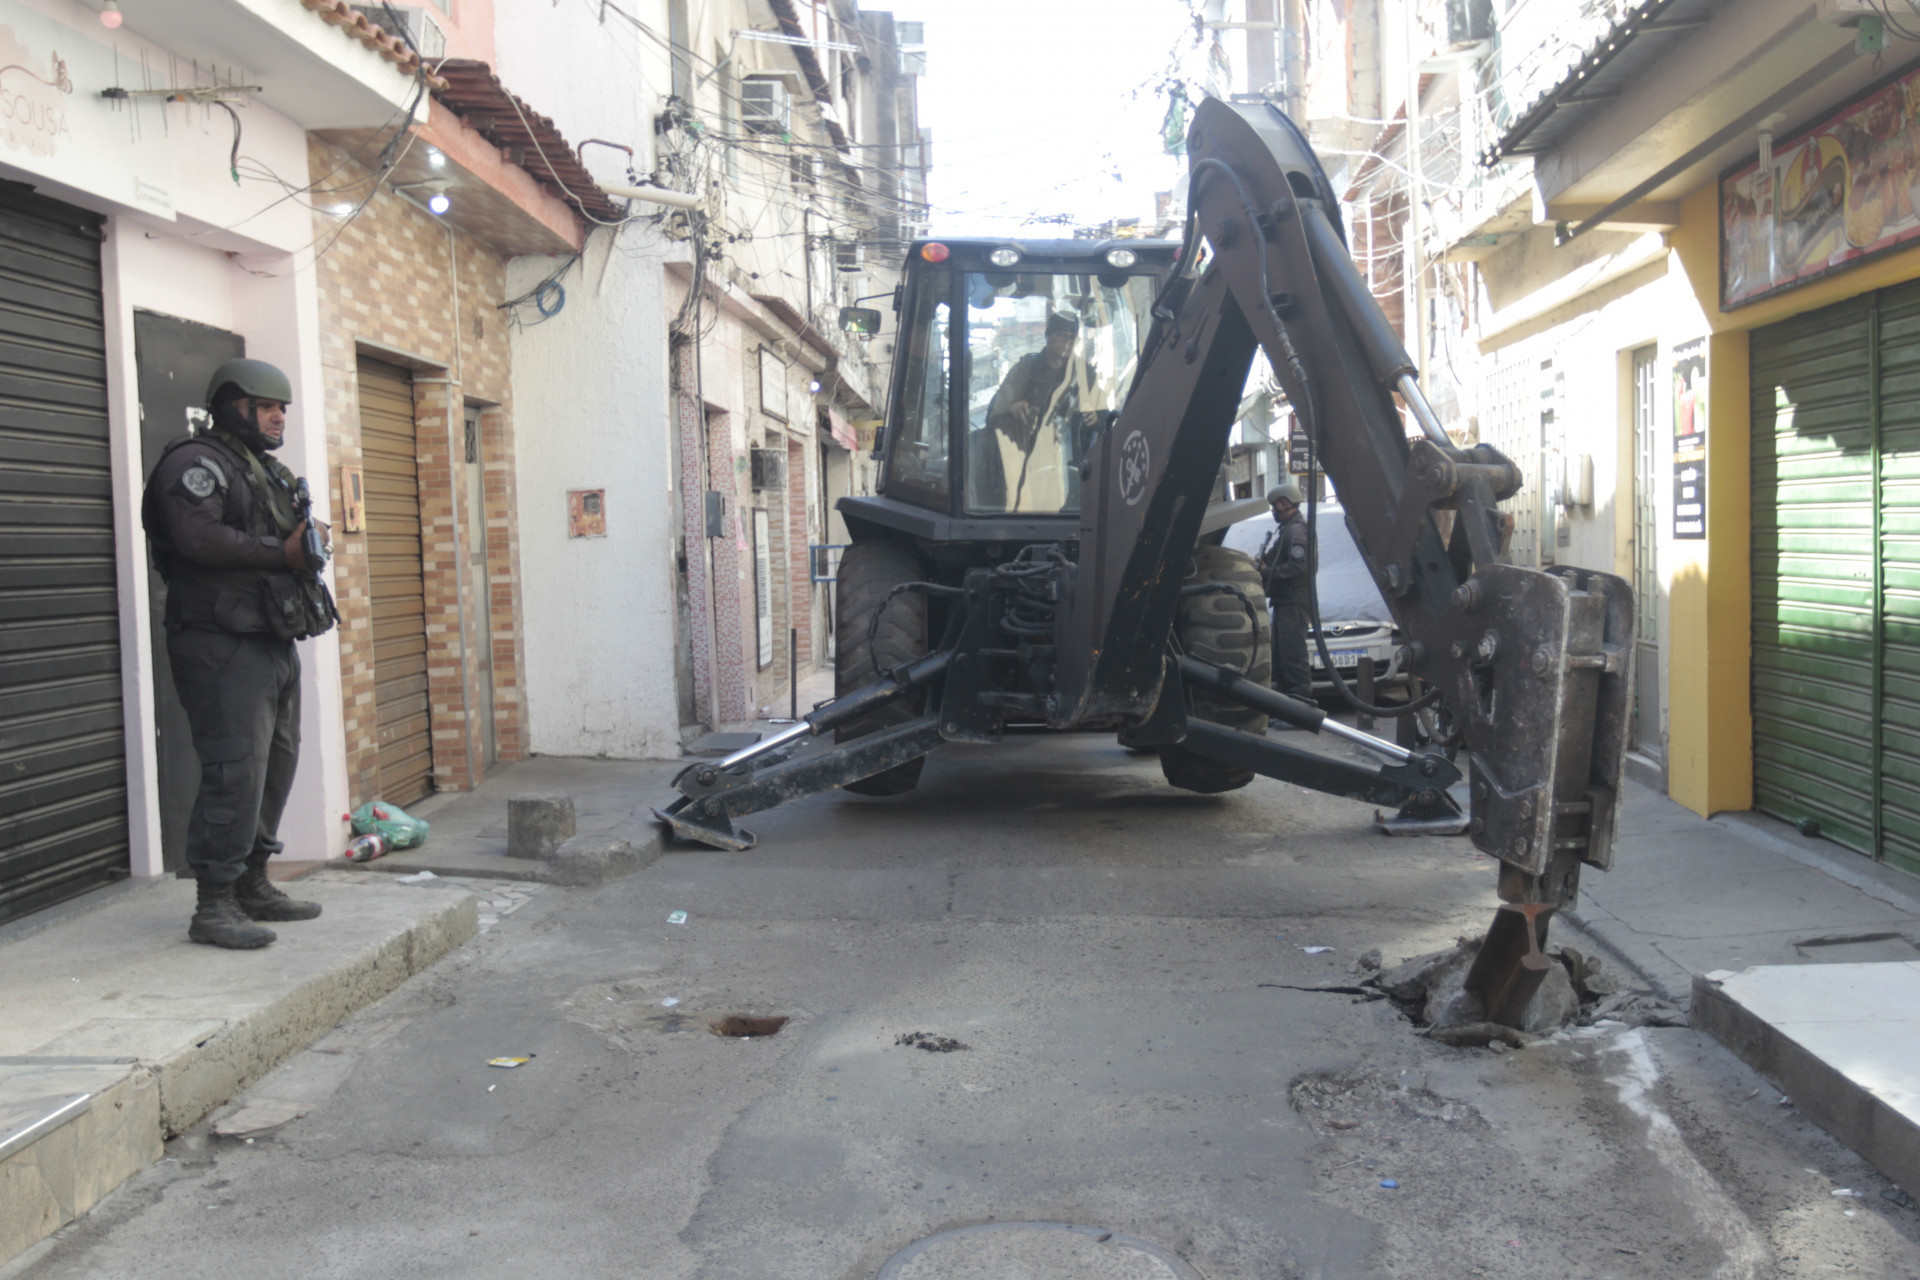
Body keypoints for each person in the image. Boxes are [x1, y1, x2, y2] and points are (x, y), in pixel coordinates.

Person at [142, 358, 337, 949]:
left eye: (283, 408)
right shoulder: (195, 463)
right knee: (235, 767)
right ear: (234, 406)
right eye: (268, 406)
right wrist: (283, 554)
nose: (280, 417)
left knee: (275, 763)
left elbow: (282, 539)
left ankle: (252, 882)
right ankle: (215, 904)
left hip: (268, 636)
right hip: (219, 641)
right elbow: (197, 537)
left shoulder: (261, 470)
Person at [976, 309, 1087, 511]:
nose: (1067, 342)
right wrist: (1014, 409)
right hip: (1023, 455)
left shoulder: (1082, 373)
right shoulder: (1027, 367)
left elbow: (1099, 416)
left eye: (1072, 338)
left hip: (1068, 458)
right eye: (1062, 336)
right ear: (1048, 336)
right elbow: (995, 413)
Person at [1257, 480, 1315, 708]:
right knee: (1280, 657)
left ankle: (1300, 707)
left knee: (1292, 655)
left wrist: (1268, 571)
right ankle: (1285, 708)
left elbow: (1299, 567)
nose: (1274, 511)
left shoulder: (1296, 531)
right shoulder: (1286, 530)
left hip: (1294, 600)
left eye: (1275, 506)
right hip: (1284, 601)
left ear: (1284, 503)